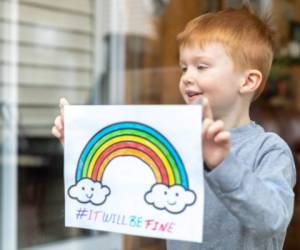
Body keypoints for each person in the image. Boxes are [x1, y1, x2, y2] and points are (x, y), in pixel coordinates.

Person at [52, 5, 296, 250]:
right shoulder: (178, 138)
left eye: (201, 66)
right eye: (184, 67)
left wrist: (222, 164)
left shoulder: (269, 150)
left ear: (248, 80)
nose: (187, 77)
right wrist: (80, 145)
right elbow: (126, 179)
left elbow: (272, 220)